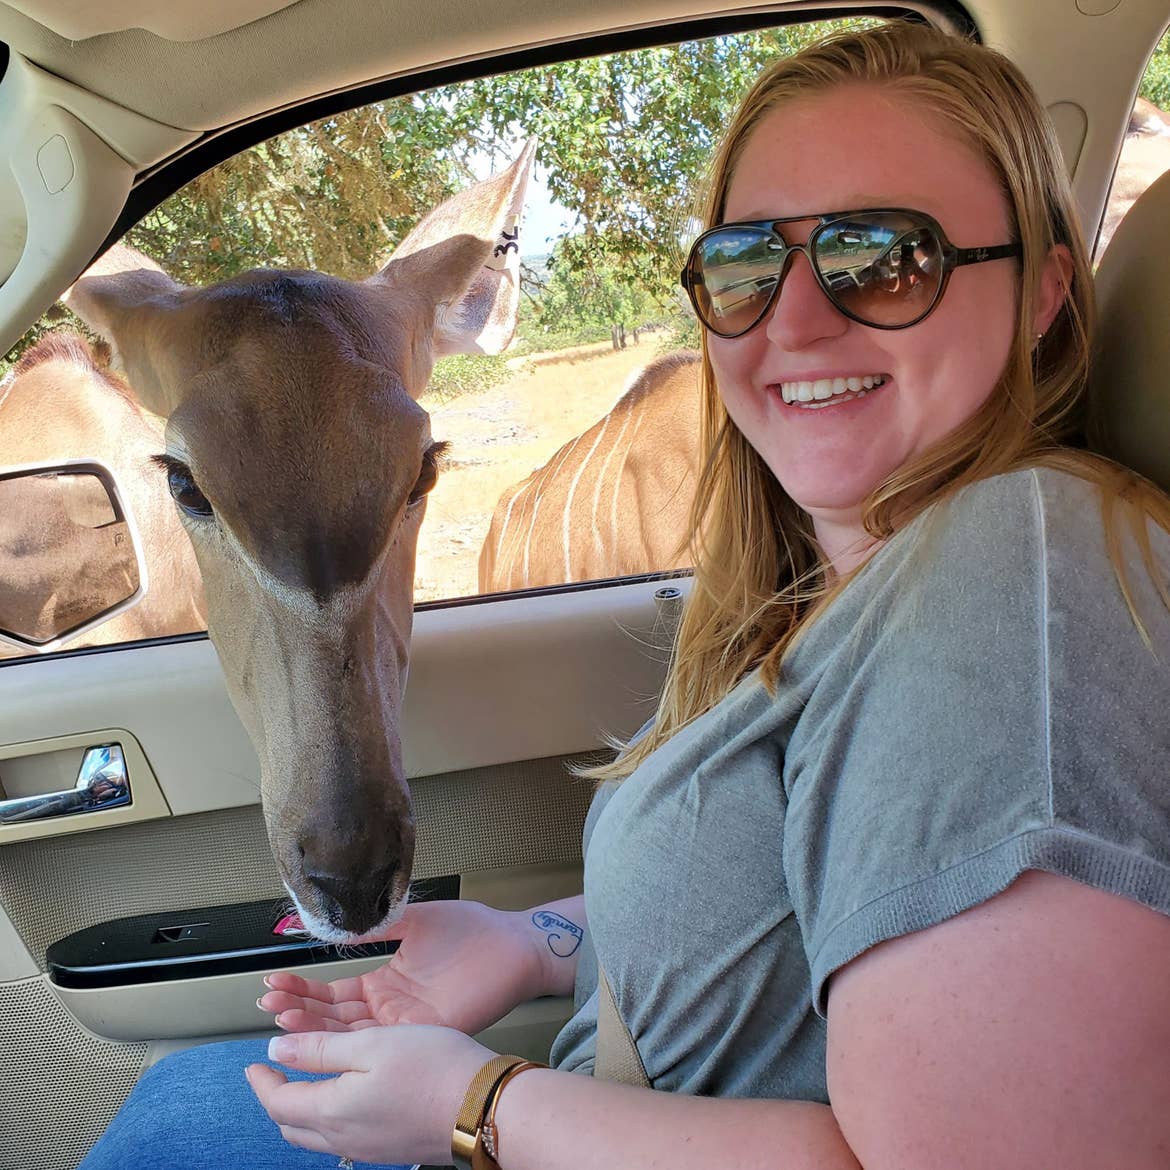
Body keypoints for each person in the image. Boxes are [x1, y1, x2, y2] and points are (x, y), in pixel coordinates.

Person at [80, 21, 1170, 1170]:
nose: (793, 322)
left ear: (1045, 292)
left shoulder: (1027, 583)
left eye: (882, 256)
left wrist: (482, 1112)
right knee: (180, 1100)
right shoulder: (842, 583)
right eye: (748, 262)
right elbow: (804, 911)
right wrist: (534, 945)